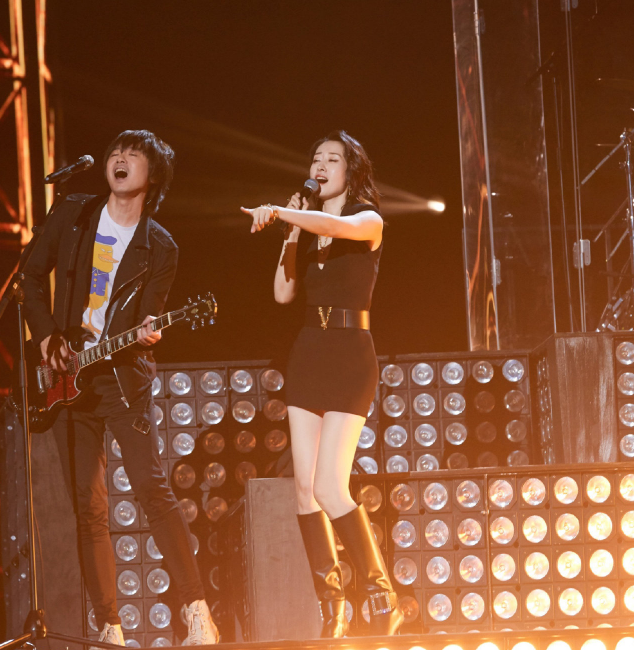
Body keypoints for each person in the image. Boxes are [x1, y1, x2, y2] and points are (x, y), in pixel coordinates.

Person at [22, 130, 218, 646]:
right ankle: (108, 626)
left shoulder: (161, 247)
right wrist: (46, 337)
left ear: (153, 176)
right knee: (88, 506)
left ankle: (197, 610)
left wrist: (149, 330)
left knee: (151, 487)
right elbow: (30, 278)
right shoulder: (74, 214)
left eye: (133, 154)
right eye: (115, 152)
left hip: (122, 380)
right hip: (66, 377)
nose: (119, 158)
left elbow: (149, 314)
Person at [240, 130, 403, 637]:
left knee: (332, 485)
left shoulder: (367, 219)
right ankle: (333, 606)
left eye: (333, 158)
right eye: (316, 157)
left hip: (351, 355)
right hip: (309, 352)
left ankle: (381, 594)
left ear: (351, 170)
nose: (321, 164)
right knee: (305, 489)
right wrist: (290, 231)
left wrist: (282, 213)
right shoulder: (307, 229)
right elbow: (283, 293)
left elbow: (335, 224)